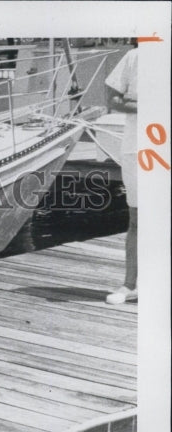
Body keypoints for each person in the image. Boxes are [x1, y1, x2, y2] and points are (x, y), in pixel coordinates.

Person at [104, 44, 138, 304]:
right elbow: (113, 99)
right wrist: (146, 106)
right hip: (137, 148)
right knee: (137, 218)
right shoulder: (134, 57)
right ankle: (130, 285)